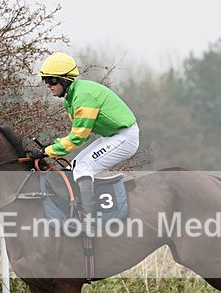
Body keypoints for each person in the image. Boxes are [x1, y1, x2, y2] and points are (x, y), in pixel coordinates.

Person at [29, 52, 140, 236]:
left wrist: (46, 151)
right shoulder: (71, 98)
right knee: (75, 166)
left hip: (125, 137)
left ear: (65, 80)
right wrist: (49, 148)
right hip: (112, 135)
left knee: (84, 167)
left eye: (51, 80)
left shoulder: (82, 97)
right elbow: (79, 133)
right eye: (45, 80)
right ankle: (77, 213)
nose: (48, 85)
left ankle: (91, 223)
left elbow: (78, 138)